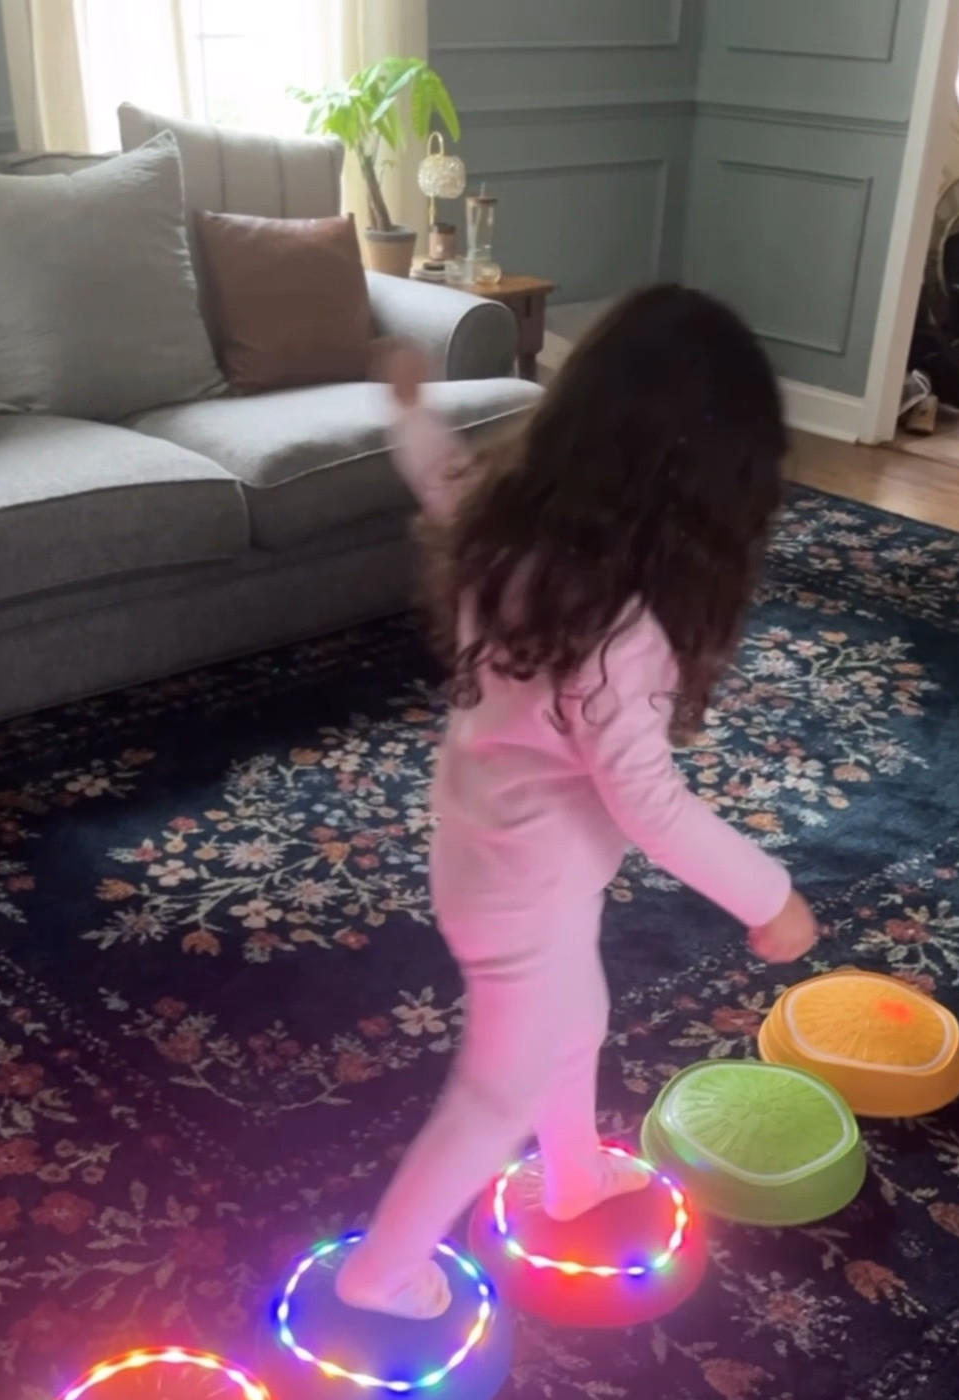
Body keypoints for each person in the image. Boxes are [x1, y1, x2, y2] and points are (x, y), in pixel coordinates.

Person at [337, 285, 818, 1321]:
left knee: (576, 1019)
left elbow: (439, 473)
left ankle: (572, 1178)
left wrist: (407, 407)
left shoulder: (510, 522)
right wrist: (767, 897)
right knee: (497, 1087)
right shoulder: (628, 625)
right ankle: (379, 1272)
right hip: (525, 878)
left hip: (494, 848)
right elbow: (649, 801)